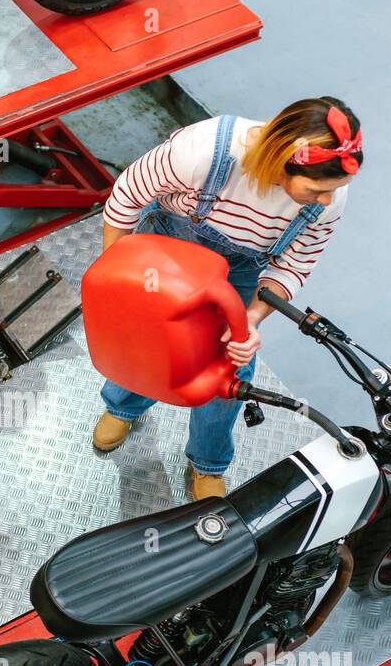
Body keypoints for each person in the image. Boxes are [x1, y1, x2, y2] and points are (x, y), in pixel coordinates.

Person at [92, 96, 363, 499]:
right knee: (147, 342)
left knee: (230, 371)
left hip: (236, 272)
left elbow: (293, 265)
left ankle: (207, 461)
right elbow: (126, 198)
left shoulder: (328, 201)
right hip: (165, 250)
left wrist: (250, 320)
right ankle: (123, 406)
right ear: (280, 157)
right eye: (317, 189)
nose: (326, 200)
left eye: (334, 190)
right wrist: (115, 278)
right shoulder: (202, 152)